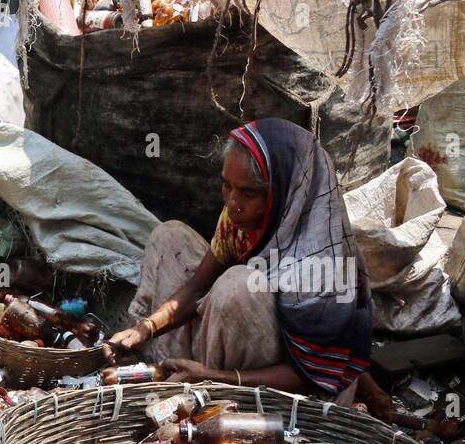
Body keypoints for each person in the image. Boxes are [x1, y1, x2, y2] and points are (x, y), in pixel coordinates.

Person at [103, 118, 373, 397]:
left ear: (284, 194)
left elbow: (311, 377)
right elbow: (197, 287)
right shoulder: (239, 220)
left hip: (289, 393)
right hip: (229, 354)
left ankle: (210, 393)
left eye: (248, 193)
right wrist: (145, 329)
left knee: (237, 285)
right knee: (169, 237)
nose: (232, 204)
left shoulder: (324, 262)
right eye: (226, 186)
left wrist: (213, 377)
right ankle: (172, 372)